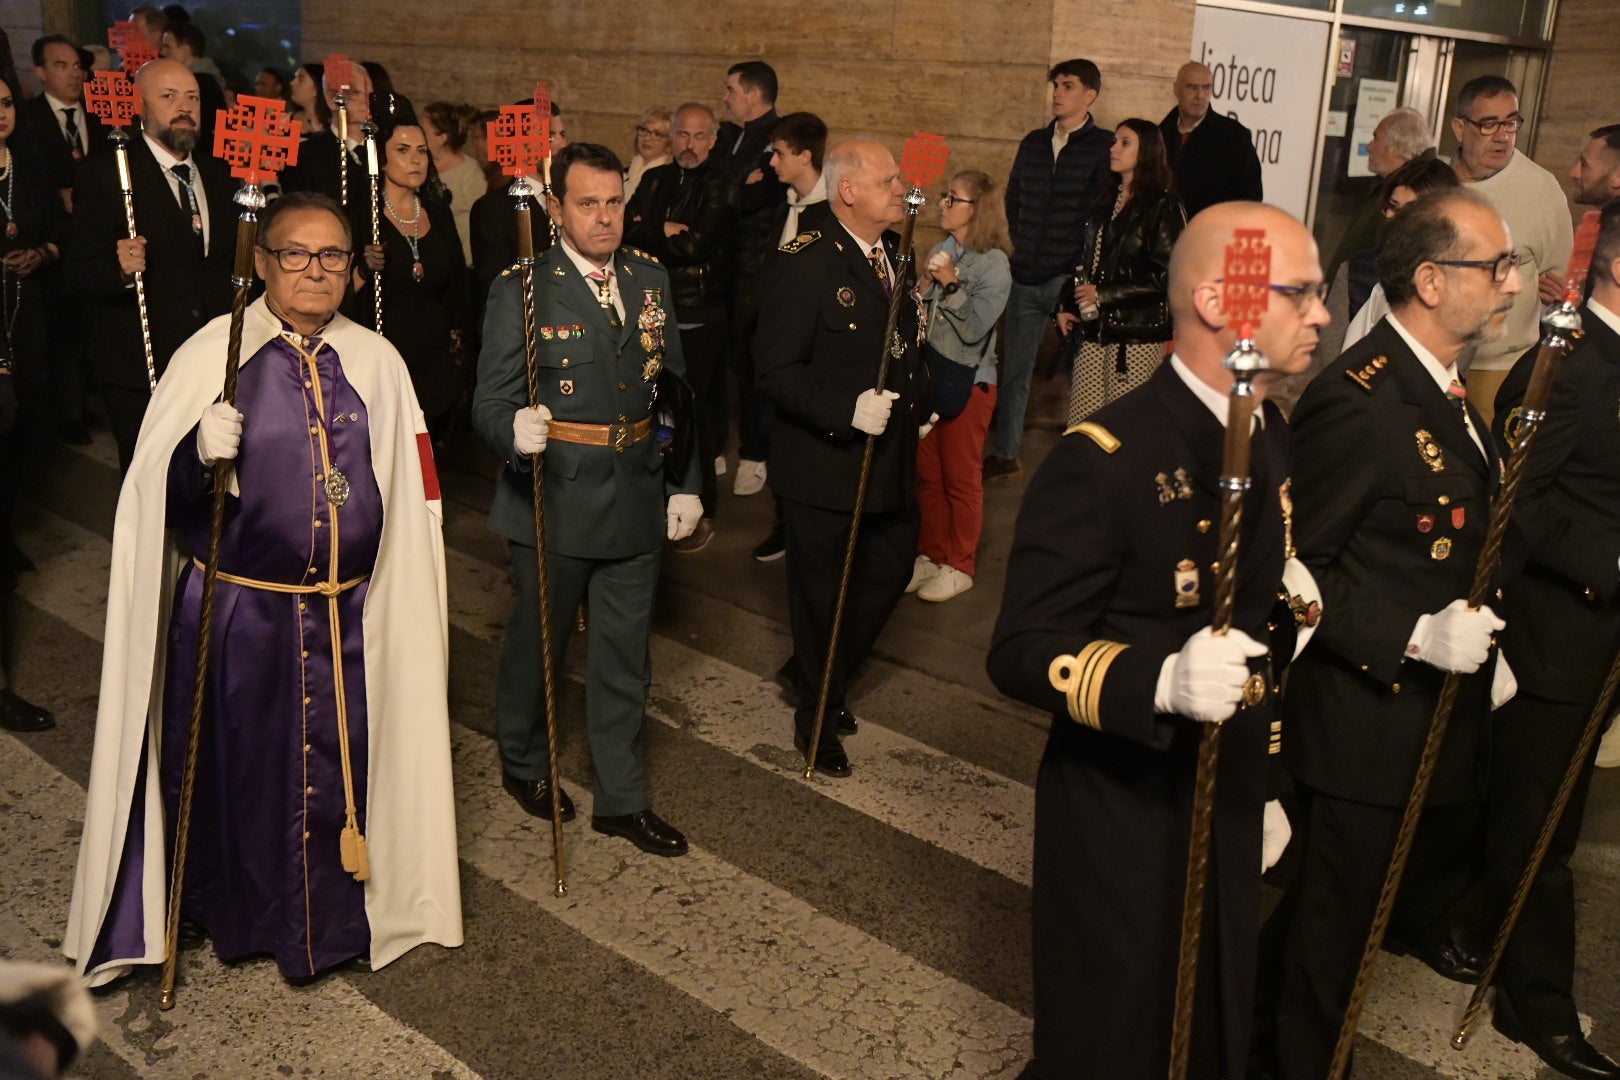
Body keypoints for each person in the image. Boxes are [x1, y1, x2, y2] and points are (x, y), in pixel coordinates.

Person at [64, 190, 463, 985]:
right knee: (246, 779)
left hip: (351, 615)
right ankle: (245, 917)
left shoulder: (378, 362)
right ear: (262, 262)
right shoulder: (213, 356)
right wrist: (193, 454)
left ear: (352, 270)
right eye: (296, 254)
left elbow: (414, 486)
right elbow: (152, 504)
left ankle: (336, 923)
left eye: (333, 256)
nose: (315, 270)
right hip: (244, 617)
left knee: (345, 778)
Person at [988, 201, 1325, 1080]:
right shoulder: (1106, 457)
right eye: (1299, 293)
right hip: (1125, 808)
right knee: (1115, 1039)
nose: (1322, 314)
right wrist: (1158, 681)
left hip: (1229, 786)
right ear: (1219, 300)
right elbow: (1022, 647)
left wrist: (1268, 780)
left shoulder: (1266, 431)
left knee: (1212, 1020)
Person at [1271, 188, 1520, 1080]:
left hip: (1420, 727)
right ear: (1430, 280)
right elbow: (1294, 572)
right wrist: (1413, 634)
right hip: (1360, 730)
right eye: (1493, 266)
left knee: (1335, 934)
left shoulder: (1444, 389)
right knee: (1327, 947)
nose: (1511, 284)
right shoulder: (1362, 399)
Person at [474, 141, 700, 857]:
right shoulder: (523, 287)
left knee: (624, 657)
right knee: (538, 646)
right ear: (555, 208)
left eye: (614, 202)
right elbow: (490, 399)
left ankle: (622, 800)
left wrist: (687, 482)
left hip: (637, 490)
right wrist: (513, 432)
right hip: (556, 494)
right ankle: (523, 761)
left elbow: (674, 388)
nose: (605, 218)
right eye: (587, 204)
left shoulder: (648, 277)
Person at [1462, 198, 1620, 1080]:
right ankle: (1536, 1004)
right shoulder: (1568, 364)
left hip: (1601, 640)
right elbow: (1518, 504)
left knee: (1542, 806)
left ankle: (1465, 923)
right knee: (1542, 828)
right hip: (1558, 633)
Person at [754, 138, 929, 777]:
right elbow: (774, 370)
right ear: (848, 191)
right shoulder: (805, 262)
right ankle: (818, 718)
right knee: (820, 598)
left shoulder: (897, 252)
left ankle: (816, 672)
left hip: (889, 456)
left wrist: (924, 399)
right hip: (825, 462)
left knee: (890, 569)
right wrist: (844, 409)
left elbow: (904, 340)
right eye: (887, 181)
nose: (900, 189)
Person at [63, 57, 237, 472]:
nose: (185, 106)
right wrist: (120, 270)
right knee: (150, 479)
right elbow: (77, 269)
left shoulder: (220, 173)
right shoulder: (108, 173)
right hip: (141, 363)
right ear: (140, 106)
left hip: (213, 358)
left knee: (211, 477)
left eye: (192, 97)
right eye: (168, 96)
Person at [984, 58, 1113, 480]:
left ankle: (1085, 464)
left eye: (1068, 86)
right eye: (1056, 84)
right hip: (1026, 274)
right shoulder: (1034, 143)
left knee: (1083, 373)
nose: (1058, 93)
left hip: (1069, 280)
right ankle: (1006, 453)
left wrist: (1077, 269)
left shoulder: (1103, 146)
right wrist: (1022, 245)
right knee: (1015, 371)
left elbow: (1098, 214)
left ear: (1089, 95)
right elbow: (1014, 198)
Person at [624, 102, 738, 553]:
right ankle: (659, 500)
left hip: (698, 310)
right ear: (672, 137)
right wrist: (663, 228)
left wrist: (650, 230)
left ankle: (702, 508)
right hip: (650, 305)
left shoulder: (723, 184)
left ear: (713, 139)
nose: (689, 144)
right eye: (682, 135)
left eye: (698, 135)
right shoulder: (655, 179)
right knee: (652, 407)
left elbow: (695, 245)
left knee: (695, 413)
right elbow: (623, 230)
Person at [907, 168, 1010, 604]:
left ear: (977, 210)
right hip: (933, 377)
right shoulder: (941, 250)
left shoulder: (995, 264)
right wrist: (924, 286)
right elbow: (918, 315)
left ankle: (960, 563)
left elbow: (974, 329)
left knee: (961, 480)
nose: (943, 204)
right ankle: (931, 554)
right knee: (927, 474)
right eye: (945, 196)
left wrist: (950, 283)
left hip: (971, 383)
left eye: (953, 198)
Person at [1447, 75, 1571, 423]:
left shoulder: (1541, 188)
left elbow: (1560, 280)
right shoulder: (1436, 180)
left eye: (1511, 122)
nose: (1503, 136)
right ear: (1460, 127)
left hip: (1501, 366)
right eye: (1489, 124)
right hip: (1437, 356)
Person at [350, 95, 471, 445]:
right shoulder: (362, 215)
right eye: (403, 150)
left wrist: (459, 352)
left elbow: (457, 283)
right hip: (384, 356)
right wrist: (363, 269)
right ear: (381, 156)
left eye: (422, 151)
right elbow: (337, 291)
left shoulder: (437, 210)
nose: (415, 160)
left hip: (434, 364)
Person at [1053, 117, 1184, 424]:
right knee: (1084, 429)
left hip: (1135, 337)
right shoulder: (1105, 200)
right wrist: (1065, 303)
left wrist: (1103, 294)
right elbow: (1087, 261)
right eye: (1114, 141)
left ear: (1147, 151)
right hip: (1093, 332)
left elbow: (1167, 275)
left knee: (1125, 428)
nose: (1113, 148)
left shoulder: (1163, 205)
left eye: (1125, 143)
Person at [748, 110, 831, 564]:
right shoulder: (786, 203)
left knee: (803, 449)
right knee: (775, 440)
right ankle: (783, 525)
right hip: (776, 347)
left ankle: (804, 532)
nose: (773, 162)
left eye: (779, 153)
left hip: (809, 354)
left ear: (804, 156)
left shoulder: (832, 212)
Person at [0, 74, 67, 592]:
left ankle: (5, 533)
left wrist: (41, 253)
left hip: (29, 314)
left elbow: (62, 231)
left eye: (6, 103)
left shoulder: (31, 166)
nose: (1, 113)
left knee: (23, 424)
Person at [717, 59, 786, 498]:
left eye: (731, 90)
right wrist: (736, 182)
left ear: (754, 96)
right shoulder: (727, 136)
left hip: (754, 267)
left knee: (751, 365)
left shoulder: (776, 139)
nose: (725, 97)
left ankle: (755, 453)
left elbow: (754, 198)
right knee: (723, 362)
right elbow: (720, 187)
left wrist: (736, 187)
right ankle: (717, 443)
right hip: (723, 263)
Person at [1335, 157, 1461, 352]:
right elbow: (1331, 354)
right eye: (1393, 205)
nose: (1394, 217)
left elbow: (1458, 355)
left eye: (1410, 210)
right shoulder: (1355, 270)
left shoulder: (1460, 278)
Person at [468, 99, 565, 327]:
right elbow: (496, 288)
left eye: (562, 134)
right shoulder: (494, 209)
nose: (561, 144)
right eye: (550, 136)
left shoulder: (570, 200)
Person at [1327, 106, 1435, 286]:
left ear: (1399, 148)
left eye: (1376, 138)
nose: (1369, 147)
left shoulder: (1412, 194)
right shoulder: (1388, 186)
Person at [1158, 61, 1264, 220]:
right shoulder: (1158, 134)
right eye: (1192, 87)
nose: (1200, 96)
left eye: (1206, 88)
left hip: (1212, 231)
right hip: (1164, 231)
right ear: (1176, 89)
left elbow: (1250, 198)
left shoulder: (1234, 137)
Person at [20, 36, 105, 201]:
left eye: (77, 66)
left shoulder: (100, 116)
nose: (74, 74)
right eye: (62, 66)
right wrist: (57, 196)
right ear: (41, 72)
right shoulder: (26, 118)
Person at [279, 62, 374, 209]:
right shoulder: (306, 156)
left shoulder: (386, 149)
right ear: (331, 99)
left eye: (370, 93)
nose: (366, 101)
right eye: (355, 93)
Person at [421, 101, 485, 264]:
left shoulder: (469, 173)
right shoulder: (419, 169)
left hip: (462, 263)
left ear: (441, 138)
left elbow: (482, 224)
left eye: (423, 131)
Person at [156, 21, 225, 151]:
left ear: (186, 48)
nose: (162, 53)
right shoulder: (204, 81)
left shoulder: (203, 84)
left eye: (168, 47)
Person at [624, 106, 671, 200]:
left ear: (670, 142)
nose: (647, 138)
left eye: (657, 134)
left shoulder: (668, 179)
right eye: (644, 130)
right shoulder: (622, 173)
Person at [288, 62, 331, 135]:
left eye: (301, 79)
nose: (292, 83)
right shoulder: (286, 119)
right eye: (295, 77)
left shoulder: (333, 126)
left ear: (316, 89)